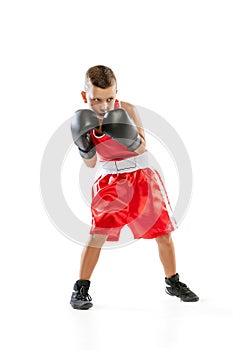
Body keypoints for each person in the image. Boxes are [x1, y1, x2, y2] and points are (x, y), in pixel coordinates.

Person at [70, 65, 199, 310]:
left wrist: (124, 132)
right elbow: (90, 164)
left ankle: (173, 282)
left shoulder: (126, 110)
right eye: (97, 99)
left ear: (117, 92)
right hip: (110, 182)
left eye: (110, 98)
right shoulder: (85, 121)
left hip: (141, 177)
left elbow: (141, 147)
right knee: (97, 235)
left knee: (163, 233)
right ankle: (81, 288)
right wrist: (83, 145)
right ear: (85, 96)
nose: (105, 105)